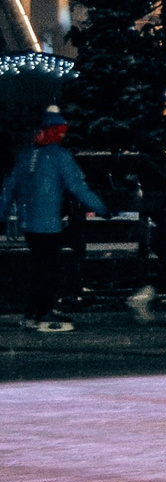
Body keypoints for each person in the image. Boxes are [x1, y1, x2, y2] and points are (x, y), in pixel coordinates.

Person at [2, 106, 105, 332]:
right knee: (50, 268)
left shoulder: (25, 156)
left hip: (28, 223)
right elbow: (77, 186)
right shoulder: (59, 156)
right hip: (48, 223)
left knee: (40, 267)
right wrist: (102, 207)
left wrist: (3, 214)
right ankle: (44, 313)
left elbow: (8, 188)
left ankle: (33, 312)